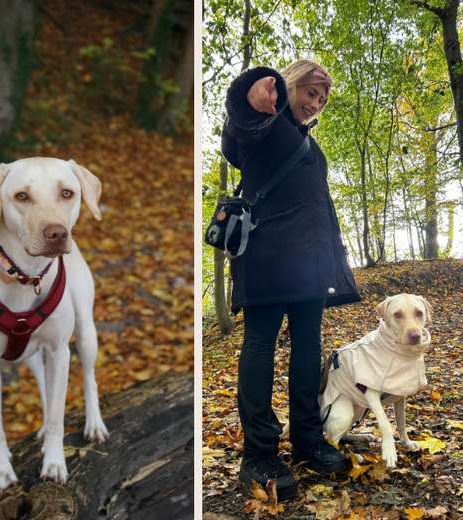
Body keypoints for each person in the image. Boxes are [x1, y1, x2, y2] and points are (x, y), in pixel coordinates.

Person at [221, 60, 361, 499]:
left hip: (310, 266)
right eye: (309, 91)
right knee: (260, 345)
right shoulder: (264, 126)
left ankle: (306, 440)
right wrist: (253, 92)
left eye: (322, 98)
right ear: (290, 85)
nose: (315, 102)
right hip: (265, 259)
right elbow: (235, 127)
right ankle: (259, 453)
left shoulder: (306, 142)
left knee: (307, 348)